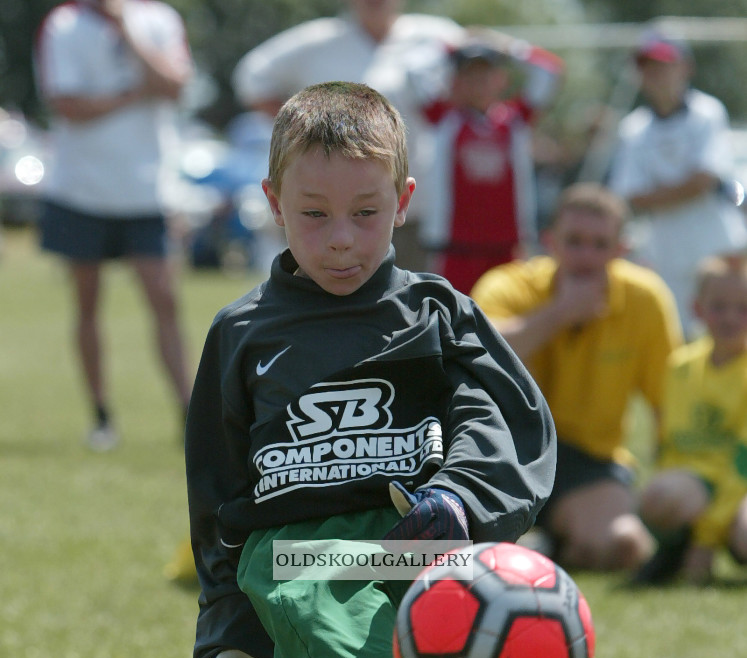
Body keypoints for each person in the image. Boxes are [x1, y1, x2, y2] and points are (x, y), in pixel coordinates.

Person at [186, 81, 556, 658]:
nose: (341, 238)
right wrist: (232, 633)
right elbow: (218, 499)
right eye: (312, 215)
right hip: (307, 559)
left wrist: (462, 498)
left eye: (365, 211)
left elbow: (504, 420)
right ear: (272, 203)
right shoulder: (240, 334)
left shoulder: (437, 311)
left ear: (403, 201)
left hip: (430, 554)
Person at [471, 182, 683, 573]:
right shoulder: (508, 284)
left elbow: (669, 401)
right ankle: (544, 543)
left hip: (590, 461)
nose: (586, 256)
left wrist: (675, 481)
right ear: (550, 241)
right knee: (453, 549)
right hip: (507, 452)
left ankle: (548, 545)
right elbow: (478, 351)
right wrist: (560, 313)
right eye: (575, 241)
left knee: (625, 545)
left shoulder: (646, 298)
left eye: (600, 244)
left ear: (622, 249)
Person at [35, 0, 193, 450]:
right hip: (80, 190)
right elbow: (67, 104)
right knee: (87, 305)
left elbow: (175, 86)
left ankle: (187, 412)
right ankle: (101, 416)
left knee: (165, 300)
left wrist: (126, 28)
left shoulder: (159, 19)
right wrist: (132, 95)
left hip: (147, 192)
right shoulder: (62, 25)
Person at [231, 0, 466, 271]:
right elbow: (251, 79)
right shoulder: (318, 39)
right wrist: (303, 131)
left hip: (419, 201)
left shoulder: (435, 37)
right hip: (333, 208)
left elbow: (485, 70)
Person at [608, 28, 747, 339]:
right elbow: (630, 196)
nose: (655, 74)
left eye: (663, 64)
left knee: (729, 338)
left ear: (685, 67)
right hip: (666, 254)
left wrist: (658, 193)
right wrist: (687, 187)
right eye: (647, 66)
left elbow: (705, 178)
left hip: (717, 248)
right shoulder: (633, 128)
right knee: (678, 339)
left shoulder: (707, 113)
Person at [413, 31, 564, 295]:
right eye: (470, 73)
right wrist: (454, 43)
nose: (479, 81)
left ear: (501, 79)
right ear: (456, 80)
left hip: (506, 247)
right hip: (454, 247)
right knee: (450, 323)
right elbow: (413, 72)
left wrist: (509, 45)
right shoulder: (443, 119)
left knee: (504, 324)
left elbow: (549, 70)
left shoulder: (516, 119)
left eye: (487, 73)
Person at [632, 255, 747, 585]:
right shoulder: (680, 366)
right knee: (658, 496)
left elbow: (742, 462)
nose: (731, 317)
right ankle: (673, 551)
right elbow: (672, 445)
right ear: (697, 308)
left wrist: (707, 539)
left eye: (743, 307)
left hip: (740, 483)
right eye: (719, 306)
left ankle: (719, 545)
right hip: (701, 482)